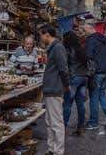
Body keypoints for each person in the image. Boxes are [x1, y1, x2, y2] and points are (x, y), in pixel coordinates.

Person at [40, 27, 69, 155]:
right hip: (50, 89)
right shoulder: (53, 48)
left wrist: (66, 84)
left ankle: (58, 151)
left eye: (41, 35)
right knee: (49, 121)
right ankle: (52, 148)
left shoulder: (57, 48)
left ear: (46, 35)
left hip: (54, 88)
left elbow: (63, 69)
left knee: (56, 122)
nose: (40, 38)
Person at [83, 20, 106, 130]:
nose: (84, 32)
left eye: (85, 30)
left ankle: (93, 122)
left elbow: (88, 55)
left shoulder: (91, 40)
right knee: (101, 94)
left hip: (97, 72)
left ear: (90, 28)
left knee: (94, 96)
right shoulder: (103, 39)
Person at [62, 31, 88, 136]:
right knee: (80, 104)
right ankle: (81, 128)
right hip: (83, 79)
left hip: (73, 79)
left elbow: (65, 67)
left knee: (67, 104)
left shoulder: (68, 50)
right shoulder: (81, 49)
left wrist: (65, 81)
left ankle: (62, 128)